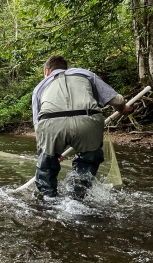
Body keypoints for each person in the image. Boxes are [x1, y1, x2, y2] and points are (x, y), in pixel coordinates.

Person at [31, 55, 132, 198]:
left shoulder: (40, 86)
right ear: (65, 68)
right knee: (87, 162)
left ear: (47, 72)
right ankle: (77, 200)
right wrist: (122, 109)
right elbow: (116, 99)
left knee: (46, 168)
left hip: (50, 123)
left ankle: (49, 204)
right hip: (88, 119)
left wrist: (51, 152)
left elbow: (37, 125)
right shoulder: (84, 73)